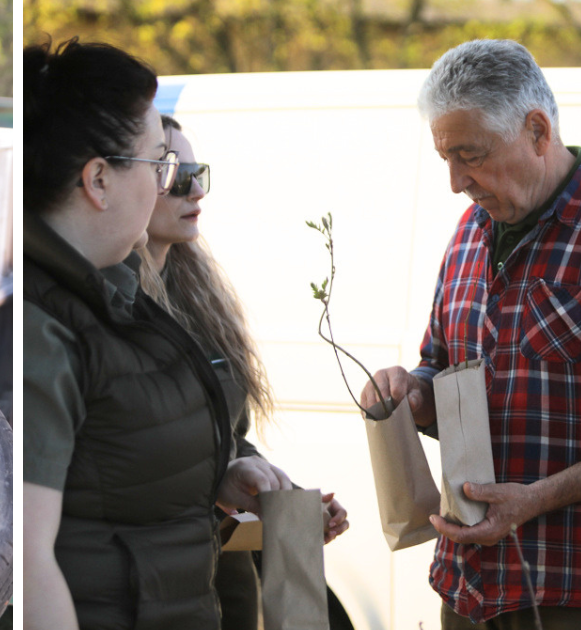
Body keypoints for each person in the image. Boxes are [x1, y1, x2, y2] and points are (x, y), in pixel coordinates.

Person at [362, 39, 581, 629]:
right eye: (445, 158)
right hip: (465, 590)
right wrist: (411, 394)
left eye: (471, 154)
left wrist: (534, 500)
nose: (456, 180)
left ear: (538, 131)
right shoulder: (469, 230)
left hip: (580, 596)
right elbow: (439, 368)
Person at [24, 38, 294, 630]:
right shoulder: (45, 324)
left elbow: (111, 469)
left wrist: (220, 473)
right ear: (98, 180)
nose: (179, 187)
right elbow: (30, 560)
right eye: (162, 167)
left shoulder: (111, 293)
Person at [138, 115, 349, 629]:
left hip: (223, 574)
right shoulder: (107, 312)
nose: (196, 190)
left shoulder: (198, 299)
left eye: (199, 172)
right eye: (174, 174)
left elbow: (229, 440)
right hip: (155, 583)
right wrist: (224, 479)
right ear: (110, 181)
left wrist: (282, 495)